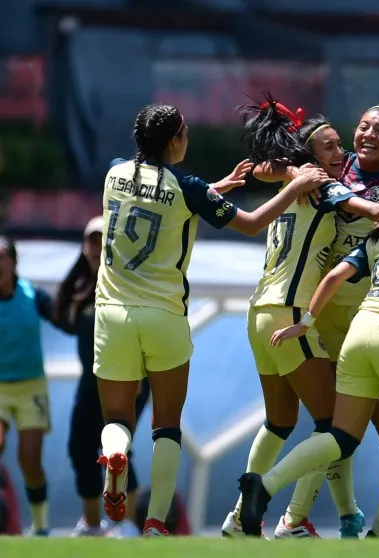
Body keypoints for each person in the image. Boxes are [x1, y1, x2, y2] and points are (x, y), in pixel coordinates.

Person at [94, 103, 332, 537]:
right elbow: (252, 222)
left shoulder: (114, 174)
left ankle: (115, 455)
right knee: (166, 425)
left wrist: (214, 188)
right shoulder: (188, 187)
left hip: (112, 314)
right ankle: (153, 525)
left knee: (116, 419)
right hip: (164, 316)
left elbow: (161, 197)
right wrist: (295, 183)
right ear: (174, 140)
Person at [222, 97, 379, 539]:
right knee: (336, 425)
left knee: (370, 427)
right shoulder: (334, 170)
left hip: (370, 312)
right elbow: (265, 168)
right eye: (362, 125)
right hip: (319, 311)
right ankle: (305, 518)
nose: (366, 135)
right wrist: (292, 172)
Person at [57, 217, 151, 538]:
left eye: (102, 240)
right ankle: (93, 525)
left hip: (127, 380)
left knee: (118, 451)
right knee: (79, 448)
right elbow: (61, 316)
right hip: (91, 382)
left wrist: (138, 378)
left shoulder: (126, 283)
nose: (96, 247)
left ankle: (126, 525)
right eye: (91, 241)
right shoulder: (81, 288)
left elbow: (140, 329)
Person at [0, 235, 61, 536]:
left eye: (1, 257)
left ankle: (40, 525)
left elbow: (64, 319)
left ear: (13, 263)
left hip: (30, 386)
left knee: (30, 460)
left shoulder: (32, 296)